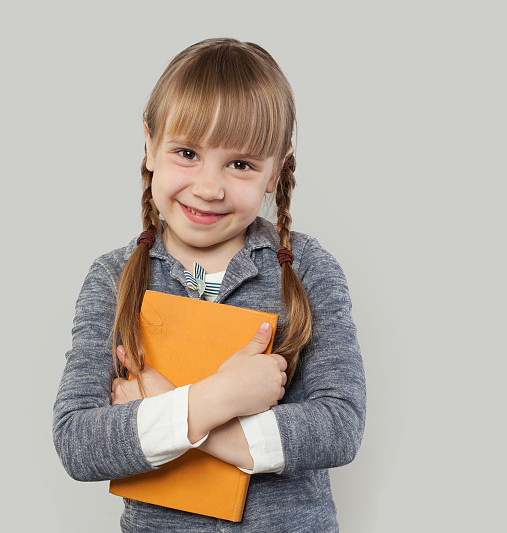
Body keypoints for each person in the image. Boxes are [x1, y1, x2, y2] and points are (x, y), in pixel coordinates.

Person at [52, 38, 366, 532]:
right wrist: (217, 397)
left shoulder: (307, 269)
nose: (209, 187)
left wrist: (170, 408)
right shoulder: (112, 278)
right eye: (187, 153)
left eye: (240, 164)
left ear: (275, 172)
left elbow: (339, 426)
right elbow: (78, 441)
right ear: (151, 145)